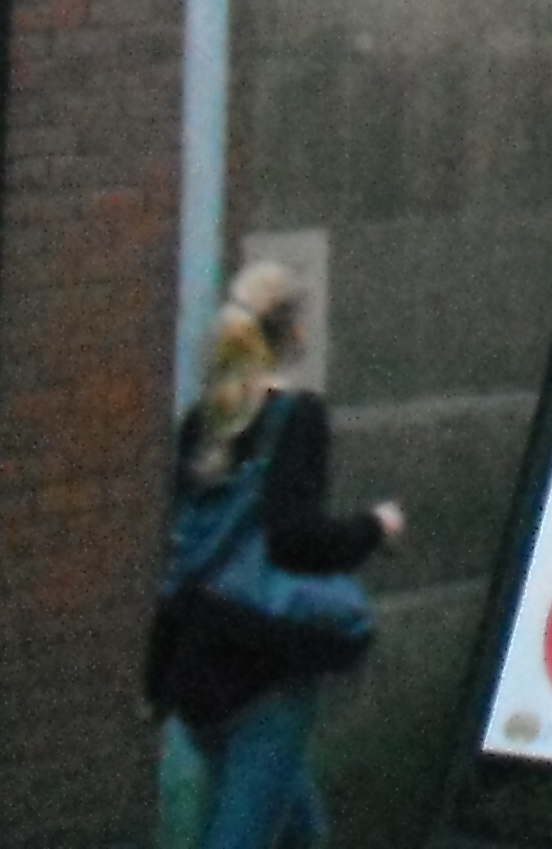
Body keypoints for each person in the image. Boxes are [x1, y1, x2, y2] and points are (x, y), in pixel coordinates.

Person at [148, 261, 405, 849]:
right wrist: (375, 527)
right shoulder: (296, 418)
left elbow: (184, 547)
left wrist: (155, 674)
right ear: (293, 333)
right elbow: (295, 541)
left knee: (300, 832)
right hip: (263, 663)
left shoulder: (200, 424)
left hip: (196, 662)